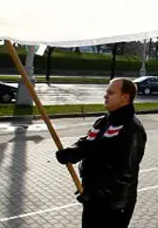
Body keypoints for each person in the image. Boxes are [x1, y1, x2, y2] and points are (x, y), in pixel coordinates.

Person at [55, 78, 147, 228]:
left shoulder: (132, 129)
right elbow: (88, 142)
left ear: (125, 97)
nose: (105, 95)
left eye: (110, 93)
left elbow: (125, 172)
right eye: (106, 92)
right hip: (93, 198)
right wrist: (73, 152)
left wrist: (97, 192)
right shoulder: (103, 121)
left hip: (115, 206)